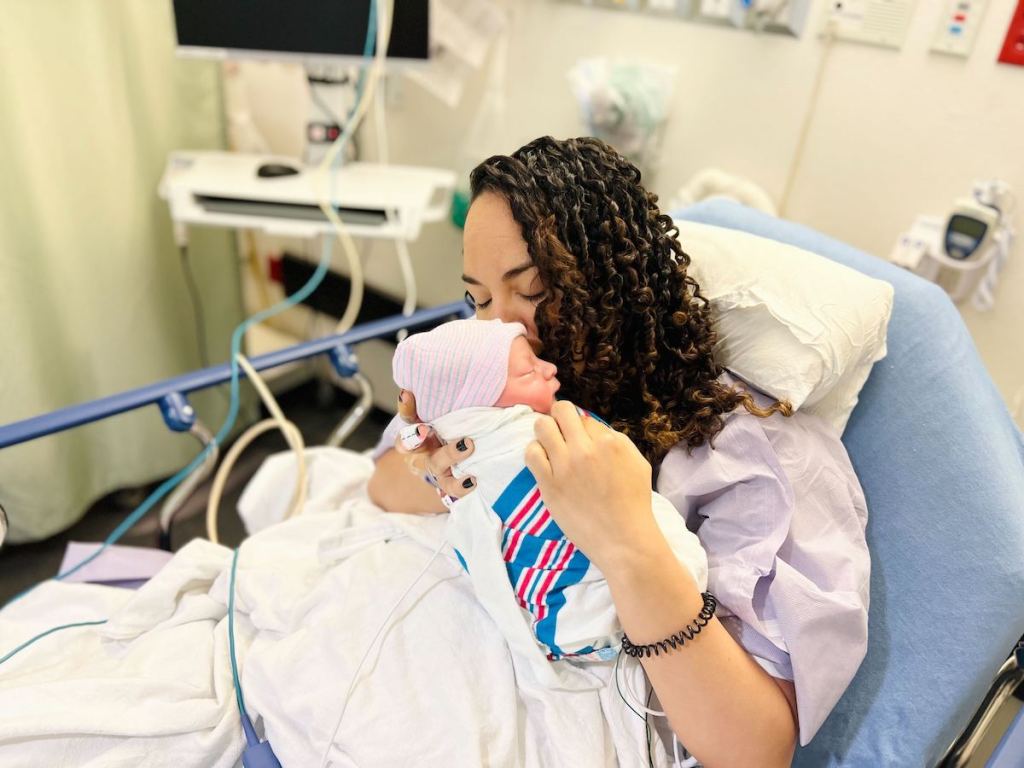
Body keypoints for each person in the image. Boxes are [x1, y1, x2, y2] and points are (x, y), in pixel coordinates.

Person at [368, 136, 870, 766]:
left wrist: (628, 543)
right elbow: (383, 486)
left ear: (612, 283)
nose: (498, 326)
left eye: (533, 289)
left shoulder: (754, 454)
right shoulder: (501, 380)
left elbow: (755, 748)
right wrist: (443, 472)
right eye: (480, 297)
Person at [390, 316, 708, 678]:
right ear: (477, 408)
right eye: (478, 301)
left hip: (636, 619)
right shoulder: (501, 442)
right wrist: (432, 465)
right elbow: (380, 485)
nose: (548, 367)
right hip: (602, 613)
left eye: (525, 291)